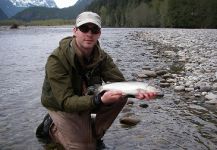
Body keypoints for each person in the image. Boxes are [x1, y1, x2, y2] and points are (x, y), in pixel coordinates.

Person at [37, 11, 155, 150]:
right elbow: (66, 101)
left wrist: (136, 92)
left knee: (120, 96)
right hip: (60, 105)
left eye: (94, 29)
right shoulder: (57, 60)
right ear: (75, 31)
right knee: (83, 147)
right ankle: (52, 128)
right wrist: (99, 100)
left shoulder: (101, 56)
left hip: (85, 97)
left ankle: (95, 135)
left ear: (99, 33)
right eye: (84, 28)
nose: (89, 34)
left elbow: (120, 82)